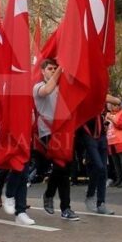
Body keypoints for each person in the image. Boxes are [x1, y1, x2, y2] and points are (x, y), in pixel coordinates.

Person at [34, 58, 79, 220]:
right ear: (43, 71)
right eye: (50, 69)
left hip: (64, 132)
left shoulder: (62, 88)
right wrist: (62, 68)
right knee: (60, 166)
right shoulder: (38, 86)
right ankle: (60, 203)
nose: (53, 71)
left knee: (64, 168)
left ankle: (58, 201)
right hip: (47, 131)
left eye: (55, 68)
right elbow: (47, 90)